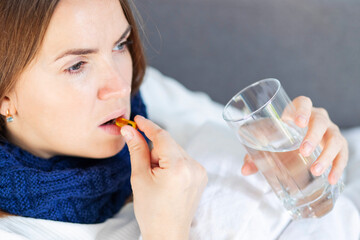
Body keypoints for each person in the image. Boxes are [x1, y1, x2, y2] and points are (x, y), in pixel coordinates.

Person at [0, 0, 348, 239]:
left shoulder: (150, 93)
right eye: (76, 65)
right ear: (5, 97)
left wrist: (306, 156)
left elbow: (276, 160)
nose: (121, 86)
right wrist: (166, 232)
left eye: (120, 45)